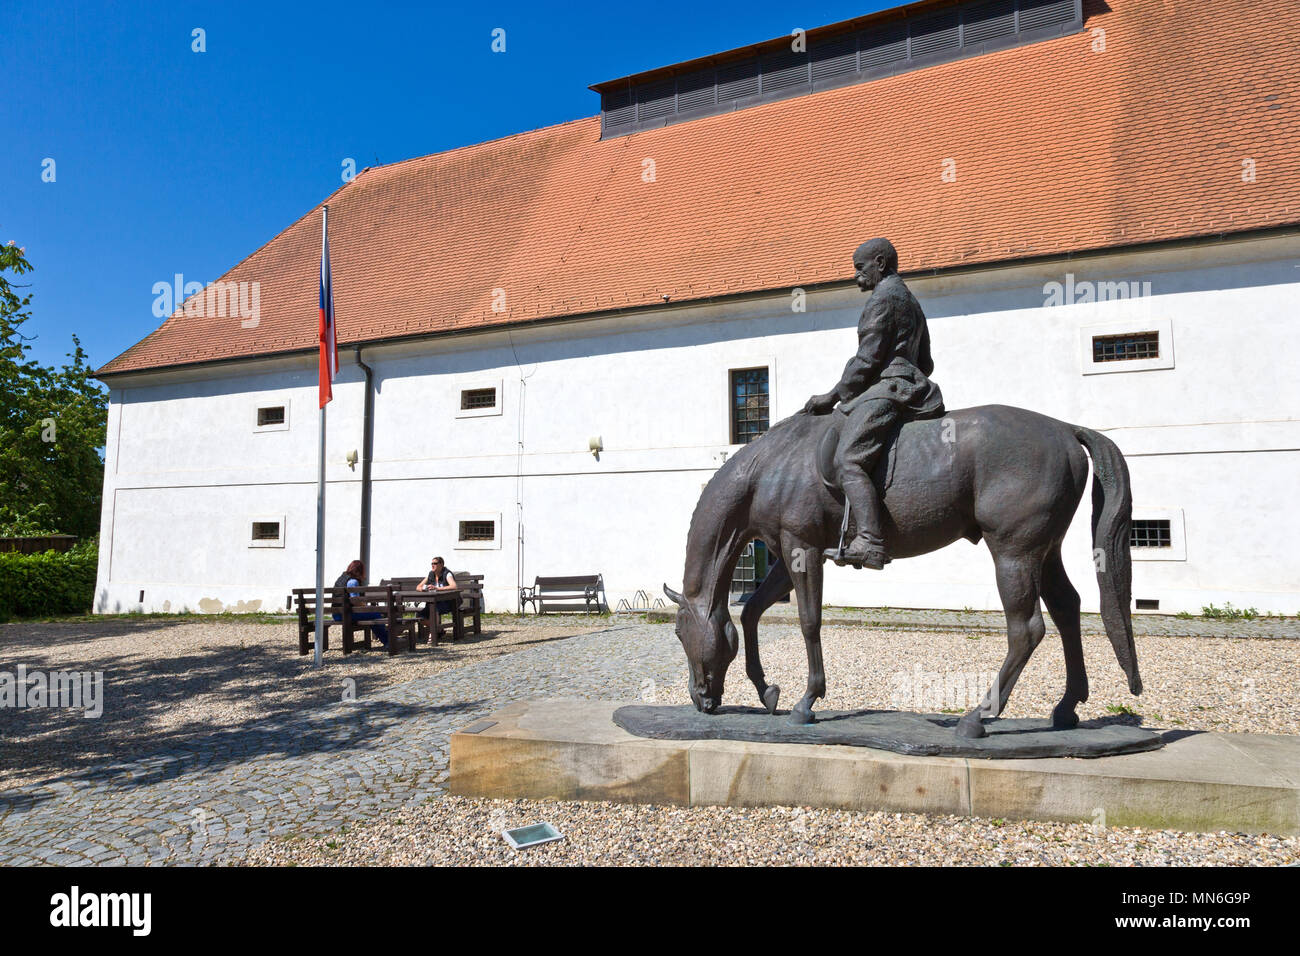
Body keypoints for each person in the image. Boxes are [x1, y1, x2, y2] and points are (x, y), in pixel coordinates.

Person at [803, 238, 945, 569]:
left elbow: (866, 360)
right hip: (913, 384)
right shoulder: (910, 299)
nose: (856, 276)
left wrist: (833, 395)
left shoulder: (882, 299)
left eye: (859, 268)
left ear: (879, 263)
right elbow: (926, 361)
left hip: (892, 388)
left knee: (849, 460)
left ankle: (869, 540)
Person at [332, 559, 388, 647]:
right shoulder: (352, 582)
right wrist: (366, 607)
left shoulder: (342, 578)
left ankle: (385, 639)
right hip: (346, 615)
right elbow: (355, 602)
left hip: (337, 614)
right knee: (375, 615)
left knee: (373, 614)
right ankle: (388, 641)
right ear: (359, 571)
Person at [415, 556, 458, 636]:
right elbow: (418, 587)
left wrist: (437, 588)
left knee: (434, 609)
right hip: (434, 602)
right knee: (419, 616)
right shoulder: (431, 574)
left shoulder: (447, 573)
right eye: (432, 563)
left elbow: (454, 586)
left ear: (441, 564)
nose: (432, 565)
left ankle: (433, 633)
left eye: (435, 563)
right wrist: (425, 589)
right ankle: (438, 629)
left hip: (448, 602)